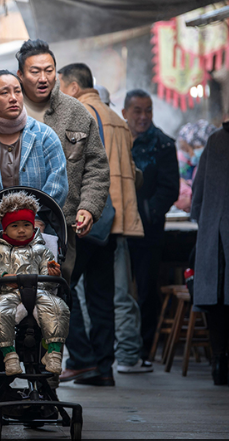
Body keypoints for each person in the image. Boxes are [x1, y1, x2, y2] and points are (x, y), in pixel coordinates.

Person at [0, 69, 68, 408]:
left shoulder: (45, 136)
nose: (14, 98)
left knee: (42, 309)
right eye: (4, 92)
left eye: (17, 91)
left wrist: (33, 219)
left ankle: (44, 385)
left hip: (37, 241)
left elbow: (58, 183)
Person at [0, 41, 110, 282]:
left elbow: (96, 165)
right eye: (35, 71)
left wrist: (88, 206)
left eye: (49, 70)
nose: (43, 78)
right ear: (20, 74)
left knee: (52, 299)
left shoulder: (76, 112)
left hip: (55, 223)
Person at [58, 64, 149, 384]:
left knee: (59, 289)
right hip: (112, 221)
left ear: (71, 87)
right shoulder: (117, 120)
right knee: (101, 296)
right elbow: (134, 175)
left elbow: (79, 168)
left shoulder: (79, 112)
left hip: (86, 217)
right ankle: (102, 368)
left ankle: (82, 357)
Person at [0, 191, 69, 375]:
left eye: (27, 225)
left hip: (38, 292)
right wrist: (2, 275)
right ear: (4, 229)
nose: (21, 230)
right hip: (6, 293)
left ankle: (53, 353)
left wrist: (51, 274)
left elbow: (48, 279)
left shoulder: (41, 249)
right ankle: (9, 355)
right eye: (15, 226)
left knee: (58, 307)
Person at [122, 89, 179, 361]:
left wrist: (147, 213)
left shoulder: (163, 144)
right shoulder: (118, 140)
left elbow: (170, 189)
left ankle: (144, 349)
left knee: (146, 291)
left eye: (148, 111)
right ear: (125, 113)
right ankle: (121, 346)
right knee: (121, 291)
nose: (143, 117)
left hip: (149, 231)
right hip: (119, 230)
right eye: (137, 111)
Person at [191, 118, 229, 385]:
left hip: (214, 236)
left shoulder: (215, 141)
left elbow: (197, 196)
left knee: (216, 301)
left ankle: (219, 360)